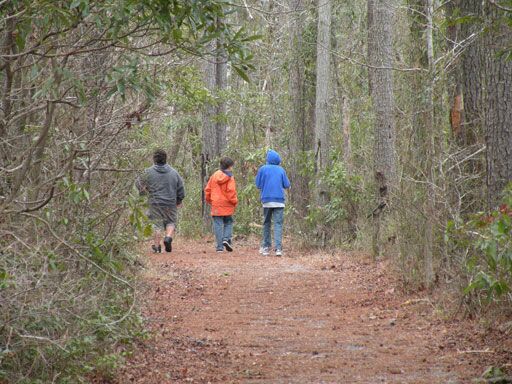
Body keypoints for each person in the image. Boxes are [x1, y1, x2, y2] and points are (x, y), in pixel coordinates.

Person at [136, 149, 185, 253]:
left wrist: (143, 192)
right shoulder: (174, 172)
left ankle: (157, 246)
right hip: (170, 202)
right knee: (171, 222)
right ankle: (168, 238)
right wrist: (179, 200)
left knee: (156, 224)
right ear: (165, 159)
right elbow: (180, 187)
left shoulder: (147, 172)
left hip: (155, 202)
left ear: (154, 159)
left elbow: (138, 183)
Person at [255, 149, 291, 256]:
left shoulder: (263, 169)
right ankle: (278, 249)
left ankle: (266, 247)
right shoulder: (281, 170)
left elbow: (258, 185)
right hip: (279, 201)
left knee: (266, 223)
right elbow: (287, 184)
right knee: (278, 224)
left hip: (267, 200)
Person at [204, 157, 238, 252]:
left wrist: (210, 200)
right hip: (227, 204)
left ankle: (219, 247)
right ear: (230, 166)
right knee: (228, 222)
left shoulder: (214, 175)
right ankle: (226, 239)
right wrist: (234, 201)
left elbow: (207, 189)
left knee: (218, 224)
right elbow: (231, 191)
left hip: (216, 204)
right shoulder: (230, 177)